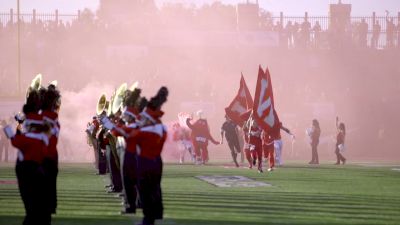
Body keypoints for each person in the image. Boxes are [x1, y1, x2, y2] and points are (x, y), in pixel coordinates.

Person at [4, 90, 52, 225]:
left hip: (26, 170)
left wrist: (6, 127)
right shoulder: (42, 136)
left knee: (30, 205)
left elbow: (14, 140)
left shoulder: (28, 137)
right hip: (40, 169)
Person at [133, 87, 168, 225]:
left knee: (146, 191)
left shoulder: (149, 131)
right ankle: (156, 213)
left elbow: (132, 136)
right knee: (154, 189)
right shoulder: (158, 127)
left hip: (146, 162)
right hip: (155, 161)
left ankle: (149, 219)